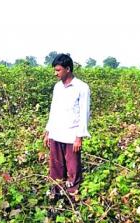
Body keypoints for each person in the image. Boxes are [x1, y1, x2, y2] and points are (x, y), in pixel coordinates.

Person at [43, 54, 91, 202]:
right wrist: (48, 132)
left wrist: (79, 137)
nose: (55, 73)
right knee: (56, 167)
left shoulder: (82, 88)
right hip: (56, 133)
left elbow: (84, 113)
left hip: (71, 135)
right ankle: (56, 193)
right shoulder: (57, 87)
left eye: (58, 70)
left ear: (67, 69)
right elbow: (54, 110)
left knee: (73, 168)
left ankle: (72, 196)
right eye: (55, 70)